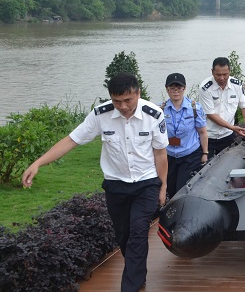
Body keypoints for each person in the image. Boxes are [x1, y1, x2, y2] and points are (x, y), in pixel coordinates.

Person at [22, 73, 168, 292]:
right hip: (116, 184)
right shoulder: (101, 114)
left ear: (138, 93)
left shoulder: (153, 114)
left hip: (146, 182)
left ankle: (131, 285)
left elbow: (160, 153)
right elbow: (72, 140)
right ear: (111, 97)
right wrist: (38, 163)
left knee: (138, 231)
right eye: (117, 101)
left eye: (128, 100)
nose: (123, 106)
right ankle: (138, 273)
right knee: (124, 235)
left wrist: (162, 185)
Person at [162, 73, 209, 200]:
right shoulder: (161, 110)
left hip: (190, 155)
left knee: (182, 189)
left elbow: (202, 132)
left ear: (184, 88)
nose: (176, 91)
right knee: (171, 189)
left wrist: (205, 153)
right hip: (169, 155)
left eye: (179, 88)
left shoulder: (194, 108)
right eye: (172, 88)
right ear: (167, 89)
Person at [199, 57, 245, 157]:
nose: (222, 78)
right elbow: (210, 114)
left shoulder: (237, 85)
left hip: (228, 136)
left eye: (225, 74)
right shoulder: (205, 88)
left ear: (229, 71)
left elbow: (244, 106)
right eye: (218, 75)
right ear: (212, 72)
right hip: (209, 137)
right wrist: (232, 127)